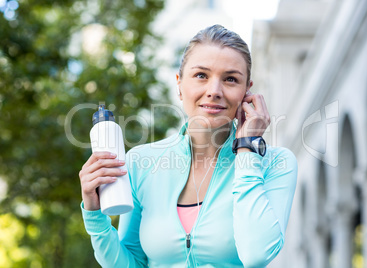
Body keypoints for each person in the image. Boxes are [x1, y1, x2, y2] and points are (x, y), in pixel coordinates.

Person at [79, 24, 297, 267]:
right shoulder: (141, 162)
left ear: (247, 92)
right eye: (201, 75)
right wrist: (94, 214)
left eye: (231, 79)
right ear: (180, 85)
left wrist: (248, 149)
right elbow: (130, 263)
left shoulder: (277, 164)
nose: (214, 91)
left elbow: (257, 255)